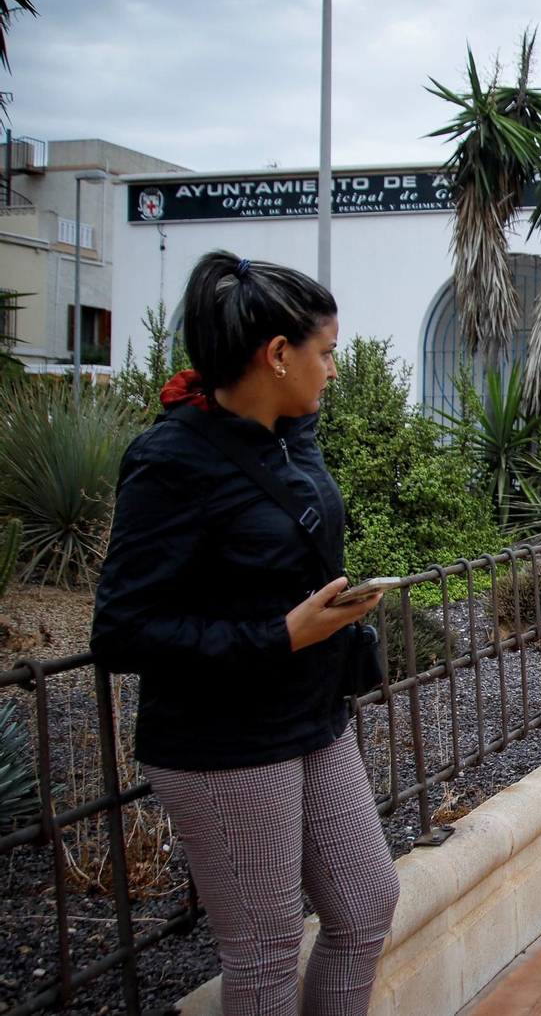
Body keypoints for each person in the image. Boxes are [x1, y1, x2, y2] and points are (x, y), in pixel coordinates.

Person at [91, 251, 399, 1013]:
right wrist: (278, 636)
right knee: (263, 953)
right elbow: (122, 631)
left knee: (366, 906)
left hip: (311, 716)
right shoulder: (171, 461)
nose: (332, 371)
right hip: (224, 742)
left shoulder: (295, 435)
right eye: (325, 354)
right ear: (277, 355)